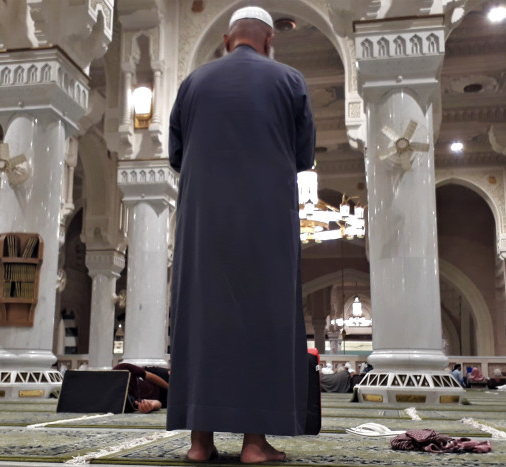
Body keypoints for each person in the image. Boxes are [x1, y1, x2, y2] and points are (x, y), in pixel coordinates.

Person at [166, 5, 315, 463]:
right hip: (265, 220)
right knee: (263, 319)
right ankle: (254, 444)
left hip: (203, 220)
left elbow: (176, 154)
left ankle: (199, 442)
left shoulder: (192, 83)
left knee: (201, 318)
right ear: (269, 41)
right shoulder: (289, 80)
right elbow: (304, 156)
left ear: (227, 40)